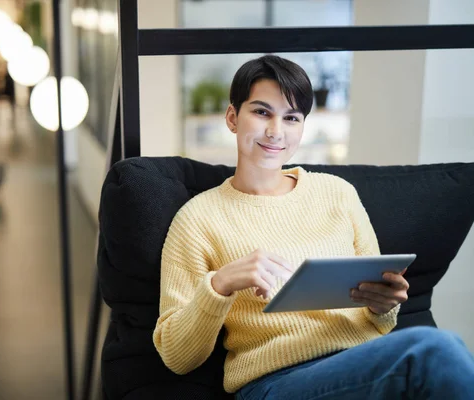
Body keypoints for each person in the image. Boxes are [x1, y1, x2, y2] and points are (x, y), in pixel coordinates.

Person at [153, 55, 474, 399]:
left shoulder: (336, 193)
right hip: (275, 381)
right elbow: (177, 356)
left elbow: (383, 317)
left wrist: (384, 304)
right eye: (262, 112)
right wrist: (220, 284)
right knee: (434, 351)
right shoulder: (197, 219)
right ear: (233, 118)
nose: (276, 131)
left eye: (291, 118)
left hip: (363, 363)